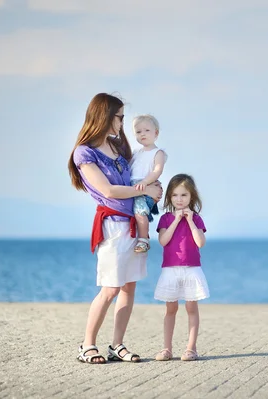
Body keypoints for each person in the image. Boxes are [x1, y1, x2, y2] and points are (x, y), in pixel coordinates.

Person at [67, 93, 163, 364]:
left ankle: (117, 345)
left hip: (132, 224)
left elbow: (135, 182)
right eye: (120, 117)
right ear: (106, 116)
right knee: (110, 288)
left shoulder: (119, 148)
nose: (123, 123)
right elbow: (108, 189)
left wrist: (151, 192)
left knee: (128, 288)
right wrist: (143, 190)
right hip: (113, 226)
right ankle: (87, 345)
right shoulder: (84, 152)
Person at [153, 174, 210, 362]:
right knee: (170, 310)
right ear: (169, 196)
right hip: (170, 270)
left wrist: (191, 220)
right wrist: (177, 220)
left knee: (192, 308)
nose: (179, 199)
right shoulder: (166, 219)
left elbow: (200, 243)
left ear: (191, 196)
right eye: (175, 195)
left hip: (192, 269)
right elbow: (163, 240)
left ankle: (191, 348)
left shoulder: (197, 219)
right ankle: (167, 349)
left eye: (184, 195)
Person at [129, 114, 167, 253]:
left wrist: (145, 182)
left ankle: (143, 240)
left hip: (145, 185)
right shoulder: (136, 152)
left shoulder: (158, 152)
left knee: (139, 213)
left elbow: (158, 170)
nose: (142, 134)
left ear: (156, 133)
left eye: (147, 130)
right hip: (134, 185)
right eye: (138, 132)